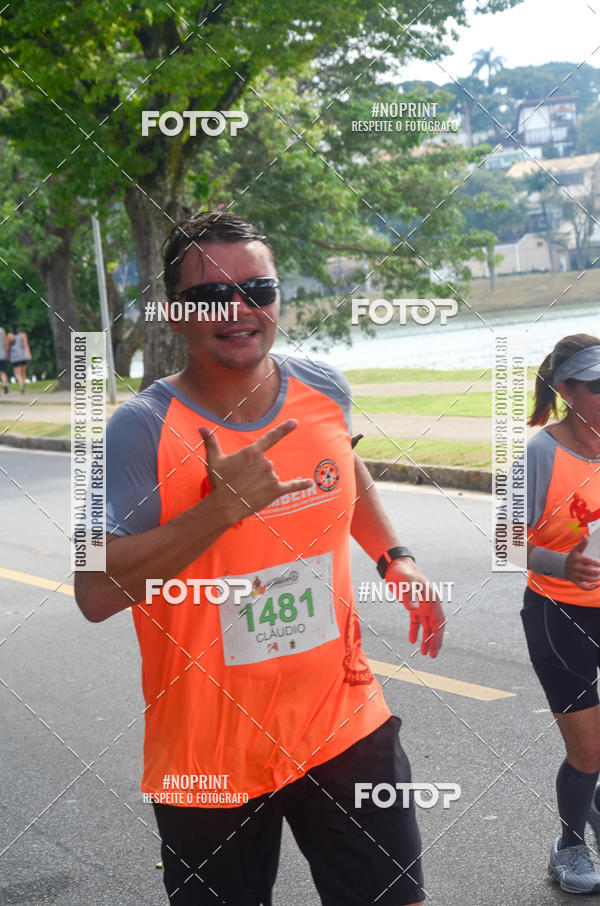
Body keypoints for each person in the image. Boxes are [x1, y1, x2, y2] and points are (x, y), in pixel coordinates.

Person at [75, 211, 445, 906]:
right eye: (211, 295)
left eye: (258, 290)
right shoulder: (140, 429)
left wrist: (393, 555)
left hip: (343, 722)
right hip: (208, 753)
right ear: (175, 313)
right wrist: (221, 509)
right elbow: (94, 591)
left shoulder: (325, 389)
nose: (238, 310)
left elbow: (344, 466)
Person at [521, 333, 600, 895]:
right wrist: (561, 564)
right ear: (568, 391)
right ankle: (569, 845)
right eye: (598, 386)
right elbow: (502, 541)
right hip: (561, 614)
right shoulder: (541, 453)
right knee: (588, 750)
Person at [7, 323, 31, 393]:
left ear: (11, 328)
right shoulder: (23, 335)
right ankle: (24, 383)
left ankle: (21, 384)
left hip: (15, 357)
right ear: (18, 328)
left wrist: (7, 356)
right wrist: (29, 354)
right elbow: (26, 345)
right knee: (23, 372)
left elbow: (8, 347)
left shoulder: (9, 336)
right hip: (23, 356)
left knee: (17, 373)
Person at [0, 326, 9, 394]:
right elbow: (5, 342)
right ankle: (5, 385)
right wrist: (7, 352)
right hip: (1, 354)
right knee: (3, 371)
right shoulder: (1, 330)